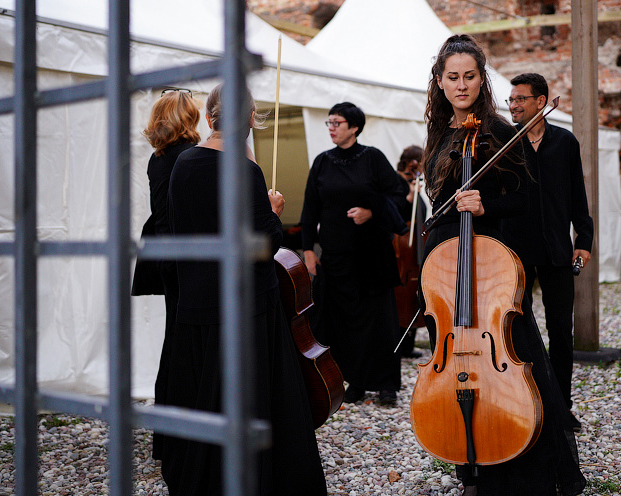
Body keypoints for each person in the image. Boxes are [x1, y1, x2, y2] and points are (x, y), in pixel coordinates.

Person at [418, 35, 585, 496]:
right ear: (439, 81)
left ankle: (530, 468)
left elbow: (526, 201)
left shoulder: (497, 130)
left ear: (481, 78)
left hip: (491, 268)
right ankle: (469, 462)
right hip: (445, 267)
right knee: (456, 368)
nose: (461, 85)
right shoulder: (438, 132)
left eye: (470, 76)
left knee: (520, 360)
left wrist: (485, 204)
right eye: (452, 77)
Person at [162, 84, 326, 495]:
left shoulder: (183, 163)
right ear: (249, 118)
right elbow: (265, 243)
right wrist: (272, 212)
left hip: (199, 301)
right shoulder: (245, 170)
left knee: (209, 396)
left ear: (210, 116)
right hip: (247, 305)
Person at [501, 73, 593, 433]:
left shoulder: (565, 143)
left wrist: (583, 239)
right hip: (515, 252)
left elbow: (577, 195)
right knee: (515, 330)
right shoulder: (505, 143)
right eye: (511, 100)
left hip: (556, 250)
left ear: (541, 102)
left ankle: (561, 406)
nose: (513, 106)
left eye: (520, 99)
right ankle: (521, 402)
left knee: (560, 331)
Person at [299, 102, 408, 406]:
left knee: (380, 321)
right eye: (329, 122)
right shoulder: (322, 162)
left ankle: (387, 384)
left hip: (372, 256)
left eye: (337, 122)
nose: (331, 127)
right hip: (335, 257)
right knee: (343, 322)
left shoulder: (372, 158)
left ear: (354, 127)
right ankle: (356, 381)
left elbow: (399, 196)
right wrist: (309, 250)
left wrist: (371, 211)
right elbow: (310, 210)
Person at [131, 88, 201, 461]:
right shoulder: (184, 157)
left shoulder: (159, 157)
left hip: (168, 255)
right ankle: (178, 434)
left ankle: (169, 435)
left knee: (174, 342)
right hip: (182, 259)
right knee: (181, 345)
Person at [393, 145, 426, 358]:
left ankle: (407, 345)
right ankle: (398, 342)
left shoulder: (415, 181)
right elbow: (396, 210)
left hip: (416, 250)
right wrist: (411, 195)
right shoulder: (397, 183)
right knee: (401, 297)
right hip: (402, 248)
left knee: (412, 296)